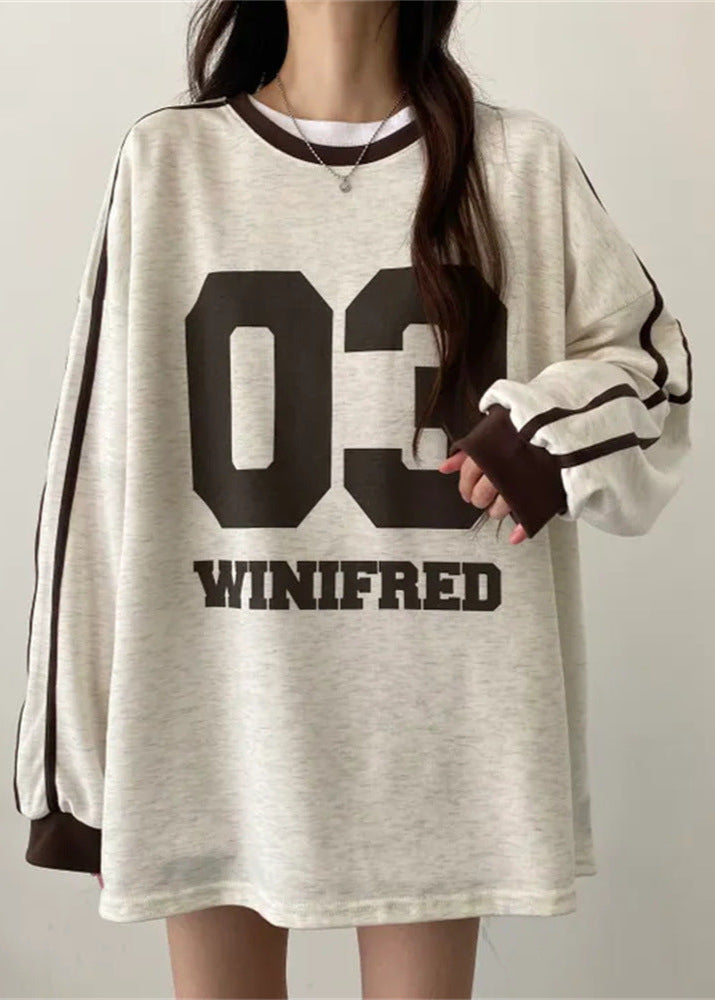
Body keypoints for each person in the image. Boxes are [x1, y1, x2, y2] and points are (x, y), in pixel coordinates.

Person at [12, 1, 693, 998]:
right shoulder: (168, 165)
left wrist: (544, 433)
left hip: (440, 722)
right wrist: (75, 773)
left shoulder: (519, 166)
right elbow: (94, 477)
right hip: (220, 711)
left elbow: (656, 373)